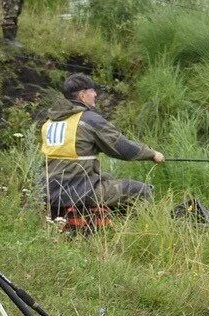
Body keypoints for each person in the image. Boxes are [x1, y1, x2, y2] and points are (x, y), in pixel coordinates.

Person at [41, 73, 164, 216]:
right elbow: (124, 149)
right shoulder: (88, 120)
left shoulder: (49, 122)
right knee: (140, 190)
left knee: (108, 178)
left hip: (47, 190)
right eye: (92, 90)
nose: (95, 94)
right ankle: (135, 230)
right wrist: (153, 154)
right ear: (82, 95)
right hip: (76, 190)